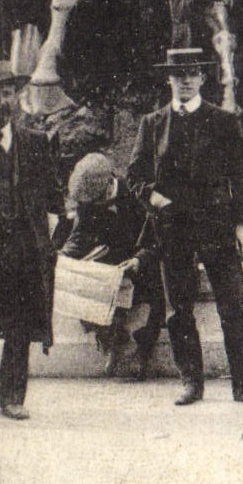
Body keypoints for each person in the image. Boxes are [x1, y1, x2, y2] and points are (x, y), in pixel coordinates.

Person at [127, 47, 243, 407]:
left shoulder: (223, 121)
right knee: (179, 308)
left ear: (203, 78)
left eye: (192, 73)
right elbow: (134, 175)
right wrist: (155, 199)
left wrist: (241, 225)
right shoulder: (153, 123)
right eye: (179, 75)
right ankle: (191, 381)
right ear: (169, 79)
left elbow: (241, 177)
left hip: (217, 224)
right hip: (171, 227)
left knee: (234, 306)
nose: (186, 81)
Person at [54, 151, 165, 379]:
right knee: (81, 283)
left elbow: (158, 235)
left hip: (145, 260)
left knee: (155, 297)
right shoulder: (90, 201)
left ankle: (139, 352)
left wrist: (138, 259)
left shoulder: (137, 193)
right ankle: (115, 343)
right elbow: (79, 235)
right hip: (114, 261)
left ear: (107, 187)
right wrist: (62, 257)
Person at [0, 68, 61, 420]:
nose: (2, 102)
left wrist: (46, 244)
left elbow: (54, 200)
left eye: (7, 94)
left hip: (20, 251)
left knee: (18, 324)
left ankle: (12, 397)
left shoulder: (33, 143)